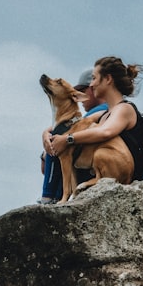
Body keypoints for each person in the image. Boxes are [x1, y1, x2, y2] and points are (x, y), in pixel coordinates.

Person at [46, 56, 143, 185]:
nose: (91, 84)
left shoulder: (124, 109)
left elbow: (105, 132)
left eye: (94, 78)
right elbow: (72, 124)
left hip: (125, 179)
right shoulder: (103, 114)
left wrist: (68, 139)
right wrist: (47, 134)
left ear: (107, 79)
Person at [37, 70, 109, 204]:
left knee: (60, 147)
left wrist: (52, 143)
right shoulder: (105, 112)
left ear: (94, 89)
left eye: (82, 89)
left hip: (102, 174)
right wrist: (47, 134)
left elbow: (66, 137)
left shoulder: (101, 110)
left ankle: (48, 199)